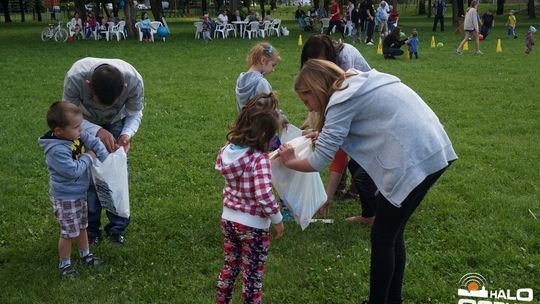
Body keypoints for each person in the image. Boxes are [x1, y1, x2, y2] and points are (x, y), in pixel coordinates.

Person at [278, 59, 457, 304]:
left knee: (383, 237)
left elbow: (317, 162)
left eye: (306, 100)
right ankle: (391, 300)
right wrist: (325, 134)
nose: (308, 107)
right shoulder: (357, 81)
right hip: (434, 149)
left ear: (316, 89)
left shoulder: (341, 101)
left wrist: (288, 161)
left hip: (414, 159)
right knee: (392, 233)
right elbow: (355, 125)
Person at [63, 58, 145, 245]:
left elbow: (134, 112)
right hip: (81, 123)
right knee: (88, 174)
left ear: (124, 86)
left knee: (116, 175)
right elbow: (69, 114)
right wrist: (97, 131)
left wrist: (126, 135)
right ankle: (91, 230)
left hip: (117, 122)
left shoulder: (134, 80)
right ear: (88, 84)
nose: (104, 109)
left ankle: (117, 229)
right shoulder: (76, 77)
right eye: (97, 101)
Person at [215, 93, 284, 304]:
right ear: (264, 134)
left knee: (230, 266)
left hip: (229, 220)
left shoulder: (227, 152)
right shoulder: (259, 159)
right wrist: (278, 220)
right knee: (252, 276)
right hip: (253, 227)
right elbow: (263, 195)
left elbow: (248, 164)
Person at [300, 35, 372, 220]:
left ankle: (363, 197)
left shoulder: (345, 72)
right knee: (349, 152)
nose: (316, 67)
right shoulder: (333, 94)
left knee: (360, 161)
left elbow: (324, 157)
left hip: (365, 110)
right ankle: (364, 205)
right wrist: (318, 126)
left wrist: (287, 161)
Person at [38, 102, 108, 278]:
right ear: (59, 131)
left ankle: (86, 255)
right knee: (69, 233)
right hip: (65, 198)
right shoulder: (56, 150)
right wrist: (89, 156)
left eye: (81, 125)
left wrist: (108, 162)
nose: (81, 130)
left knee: (82, 226)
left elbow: (93, 141)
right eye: (77, 127)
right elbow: (73, 171)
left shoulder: (73, 133)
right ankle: (65, 265)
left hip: (79, 193)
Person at [235, 43, 287, 125]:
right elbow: (269, 110)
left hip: (244, 128)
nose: (273, 69)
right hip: (260, 131)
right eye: (273, 65)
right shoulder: (261, 83)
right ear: (263, 61)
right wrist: (282, 120)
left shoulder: (240, 79)